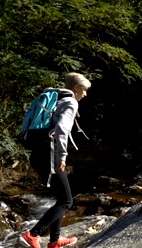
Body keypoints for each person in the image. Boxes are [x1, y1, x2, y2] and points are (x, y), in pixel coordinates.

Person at [20, 72, 91, 248]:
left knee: (61, 198)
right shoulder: (70, 101)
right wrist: (61, 157)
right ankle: (33, 234)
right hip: (49, 154)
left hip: (37, 154)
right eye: (84, 90)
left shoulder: (54, 98)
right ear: (76, 87)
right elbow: (61, 129)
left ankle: (54, 241)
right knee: (67, 201)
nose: (85, 94)